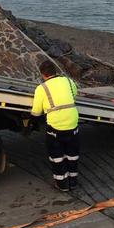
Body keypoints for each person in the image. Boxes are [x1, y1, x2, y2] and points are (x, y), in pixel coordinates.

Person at [30, 60, 80, 192]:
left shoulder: (41, 88)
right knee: (72, 155)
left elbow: (36, 112)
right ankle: (73, 182)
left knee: (56, 157)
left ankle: (62, 185)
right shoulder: (69, 81)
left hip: (56, 128)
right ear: (55, 71)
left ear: (43, 74)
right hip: (72, 123)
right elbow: (74, 95)